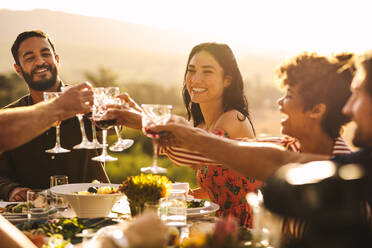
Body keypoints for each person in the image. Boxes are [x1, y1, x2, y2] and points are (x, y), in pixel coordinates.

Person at [105, 42, 263, 227]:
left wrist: (136, 117)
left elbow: (190, 152)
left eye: (207, 71)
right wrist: (182, 195)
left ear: (227, 80)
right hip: (211, 223)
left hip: (237, 228)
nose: (196, 79)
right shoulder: (202, 125)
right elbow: (223, 186)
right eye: (191, 70)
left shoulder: (234, 119)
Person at [0, 30, 108, 202]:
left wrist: (106, 113)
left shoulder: (87, 101)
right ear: (18, 70)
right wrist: (11, 190)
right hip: (32, 219)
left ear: (56, 59)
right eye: (30, 58)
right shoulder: (10, 120)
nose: (40, 62)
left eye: (45, 54)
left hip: (93, 211)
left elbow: (112, 131)